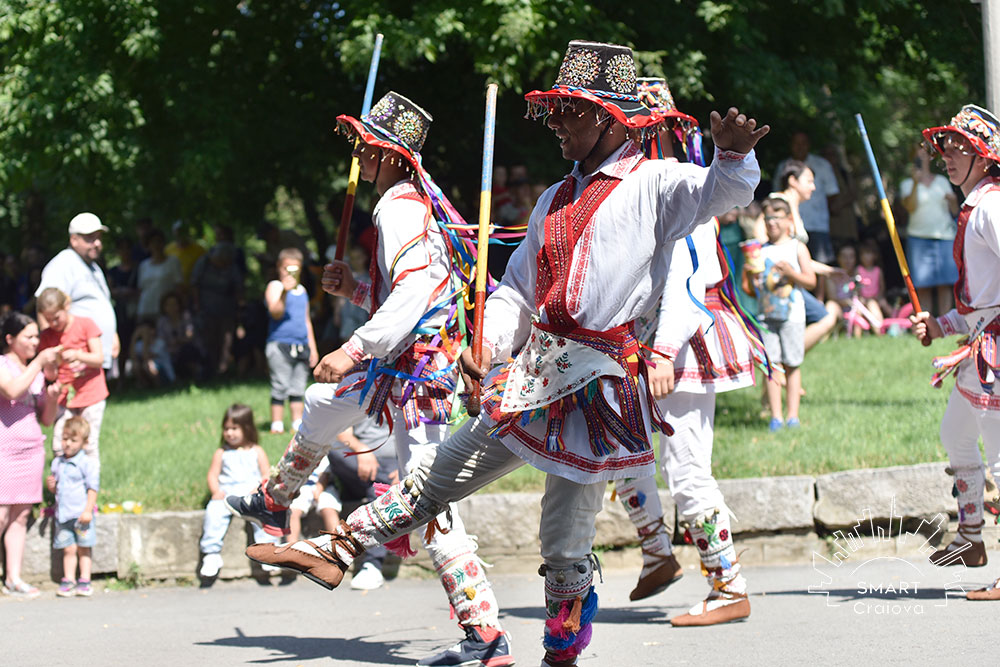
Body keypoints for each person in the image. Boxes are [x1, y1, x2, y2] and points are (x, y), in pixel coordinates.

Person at [240, 43, 765, 666]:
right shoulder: (550, 201)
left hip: (598, 386)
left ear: (608, 118)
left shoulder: (657, 183)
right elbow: (517, 289)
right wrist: (486, 344)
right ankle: (338, 549)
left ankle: (561, 646)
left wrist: (734, 152)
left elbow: (727, 191)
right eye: (556, 112)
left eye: (571, 112)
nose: (557, 125)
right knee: (442, 471)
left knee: (563, 542)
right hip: (537, 371)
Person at [228, 90, 515, 666]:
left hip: (416, 376)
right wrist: (354, 290)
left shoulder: (398, 207)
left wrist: (353, 347)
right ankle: (275, 496)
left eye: (367, 147)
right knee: (323, 402)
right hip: (407, 368)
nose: (360, 156)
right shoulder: (413, 203)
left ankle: (485, 636)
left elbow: (415, 294)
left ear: (389, 155)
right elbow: (421, 292)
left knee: (428, 501)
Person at [612, 77, 762, 627]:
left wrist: (664, 350)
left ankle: (728, 587)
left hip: (681, 342)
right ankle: (656, 551)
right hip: (654, 341)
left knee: (687, 467)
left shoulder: (678, 188)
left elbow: (686, 281)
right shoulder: (663, 187)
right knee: (618, 447)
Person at [910, 105, 1000, 601]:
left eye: (961, 146)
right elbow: (979, 303)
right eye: (945, 145)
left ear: (984, 157)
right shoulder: (977, 205)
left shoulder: (991, 207)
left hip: (996, 352)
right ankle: (970, 539)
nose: (948, 154)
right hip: (982, 345)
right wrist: (940, 324)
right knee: (956, 434)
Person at [0, 313, 61, 599]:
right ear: (10, 339)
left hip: (31, 451)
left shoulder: (35, 373)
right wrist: (38, 364)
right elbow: (12, 390)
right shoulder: (2, 365)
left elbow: (46, 419)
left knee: (21, 516)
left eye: (37, 337)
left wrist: (51, 397)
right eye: (29, 336)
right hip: (4, 451)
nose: (35, 342)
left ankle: (14, 579)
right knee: (0, 516)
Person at [743, 196, 815, 431]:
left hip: (792, 316)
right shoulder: (759, 252)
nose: (771, 222)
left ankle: (793, 416)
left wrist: (791, 274)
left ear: (788, 220)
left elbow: (810, 281)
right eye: (767, 218)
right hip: (767, 318)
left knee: (792, 364)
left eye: (776, 217)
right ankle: (776, 417)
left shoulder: (797, 247)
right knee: (771, 366)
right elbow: (752, 292)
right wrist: (749, 277)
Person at [199, 404, 279, 580]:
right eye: (226, 429)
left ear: (247, 428)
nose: (229, 433)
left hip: (251, 491)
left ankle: (267, 552)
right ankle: (211, 554)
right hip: (228, 494)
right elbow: (212, 475)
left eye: (234, 428)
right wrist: (215, 491)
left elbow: (266, 474)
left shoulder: (256, 451)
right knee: (214, 512)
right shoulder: (221, 453)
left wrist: (259, 488)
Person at [35, 212, 119, 374]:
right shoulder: (63, 264)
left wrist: (112, 335)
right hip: (75, 357)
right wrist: (52, 353)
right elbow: (45, 306)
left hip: (94, 354)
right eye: (90, 238)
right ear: (74, 240)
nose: (97, 243)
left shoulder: (93, 267)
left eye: (99, 238)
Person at [36, 288, 109, 469]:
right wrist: (52, 363)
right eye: (48, 319)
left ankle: (89, 491)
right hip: (64, 397)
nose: (53, 323)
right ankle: (64, 487)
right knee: (60, 444)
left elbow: (99, 358)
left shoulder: (85, 325)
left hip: (91, 394)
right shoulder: (46, 336)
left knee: (88, 443)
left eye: (56, 317)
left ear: (66, 306)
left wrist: (78, 355)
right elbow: (49, 376)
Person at [324, 418, 398, 591]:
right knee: (333, 448)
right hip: (358, 462)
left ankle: (372, 564)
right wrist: (361, 449)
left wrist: (405, 467)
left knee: (377, 491)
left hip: (394, 461)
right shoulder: (356, 393)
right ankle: (384, 485)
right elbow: (342, 434)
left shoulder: (405, 395)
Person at [901, 145, 960, 314]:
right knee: (923, 285)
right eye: (917, 154)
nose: (922, 157)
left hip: (945, 236)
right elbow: (910, 208)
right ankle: (926, 323)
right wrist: (914, 183)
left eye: (925, 153)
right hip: (918, 237)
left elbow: (955, 211)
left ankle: (946, 321)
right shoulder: (907, 183)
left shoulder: (942, 181)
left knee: (946, 283)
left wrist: (953, 200)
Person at [264, 248, 319, 434]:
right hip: (279, 344)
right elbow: (275, 312)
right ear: (279, 267)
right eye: (286, 268)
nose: (289, 272)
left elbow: (306, 321)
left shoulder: (302, 291)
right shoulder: (275, 287)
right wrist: (284, 293)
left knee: (298, 386)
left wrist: (313, 347)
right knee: (280, 384)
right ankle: (276, 423)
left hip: (301, 344)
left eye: (294, 268)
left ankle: (297, 422)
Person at [47, 415, 100, 598]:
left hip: (81, 515)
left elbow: (92, 489)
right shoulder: (57, 463)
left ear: (84, 443)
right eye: (64, 438)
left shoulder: (87, 464)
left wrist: (88, 511)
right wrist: (52, 487)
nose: (67, 443)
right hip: (63, 515)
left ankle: (85, 579)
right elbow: (58, 489)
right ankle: (68, 578)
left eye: (73, 440)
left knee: (84, 547)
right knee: (68, 548)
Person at [774, 130, 841, 264]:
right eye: (796, 143)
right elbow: (777, 197)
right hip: (788, 228)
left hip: (818, 225)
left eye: (803, 143)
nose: (800, 147)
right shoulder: (783, 167)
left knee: (820, 268)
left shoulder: (822, 165)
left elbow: (832, 194)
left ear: (809, 145)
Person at [136, 228, 182, 322]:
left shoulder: (173, 261)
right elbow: (141, 290)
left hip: (166, 312)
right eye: (152, 242)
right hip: (145, 310)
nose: (156, 245)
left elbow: (179, 287)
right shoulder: (143, 265)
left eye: (159, 241)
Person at [856, 239, 890, 331]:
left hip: (876, 297)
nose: (867, 257)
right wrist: (861, 297)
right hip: (863, 298)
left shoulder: (878, 270)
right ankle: (857, 334)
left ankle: (896, 324)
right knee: (858, 311)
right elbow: (857, 286)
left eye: (869, 254)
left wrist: (879, 296)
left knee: (885, 305)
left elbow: (882, 286)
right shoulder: (859, 270)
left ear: (875, 256)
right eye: (864, 254)